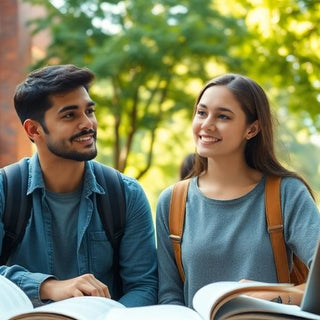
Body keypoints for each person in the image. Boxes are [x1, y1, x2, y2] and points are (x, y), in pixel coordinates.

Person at [156, 73, 320, 308]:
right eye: (201, 113)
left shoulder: (286, 193)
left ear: (252, 129)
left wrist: (274, 297)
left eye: (223, 116)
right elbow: (169, 295)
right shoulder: (172, 201)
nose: (207, 124)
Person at [0, 64, 157, 307]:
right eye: (70, 115)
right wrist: (49, 286)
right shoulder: (4, 190)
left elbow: (144, 286)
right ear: (34, 129)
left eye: (89, 111)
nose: (88, 124)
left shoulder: (126, 194)